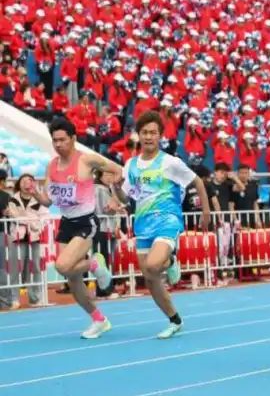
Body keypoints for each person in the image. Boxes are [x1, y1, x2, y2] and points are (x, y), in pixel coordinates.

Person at [111, 111, 211, 339]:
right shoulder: (130, 165)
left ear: (160, 136)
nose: (148, 137)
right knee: (150, 277)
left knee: (155, 264)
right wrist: (116, 188)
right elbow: (126, 198)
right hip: (142, 225)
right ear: (138, 135)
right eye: (145, 132)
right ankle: (175, 319)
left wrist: (205, 211)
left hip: (167, 220)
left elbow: (197, 181)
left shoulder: (170, 162)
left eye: (153, 133)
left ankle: (171, 259)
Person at [27, 117, 121, 338]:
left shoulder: (86, 160)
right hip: (67, 223)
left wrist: (115, 197)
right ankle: (99, 320)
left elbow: (117, 170)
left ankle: (94, 263)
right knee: (72, 277)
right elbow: (48, 201)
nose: (58, 144)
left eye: (62, 139)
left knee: (62, 265)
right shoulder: (52, 166)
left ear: (73, 139)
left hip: (86, 221)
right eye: (55, 140)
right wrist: (36, 194)